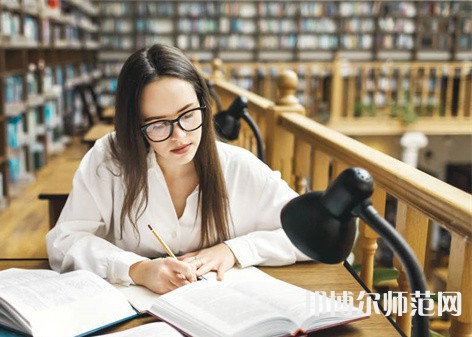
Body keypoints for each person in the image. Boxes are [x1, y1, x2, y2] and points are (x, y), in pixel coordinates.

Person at [46, 44, 309, 294]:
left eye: (188, 114)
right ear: (135, 126)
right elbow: (64, 242)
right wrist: (136, 269)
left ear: (203, 106)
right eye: (159, 124)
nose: (180, 136)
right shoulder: (108, 160)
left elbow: (311, 236)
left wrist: (234, 250)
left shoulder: (239, 167)